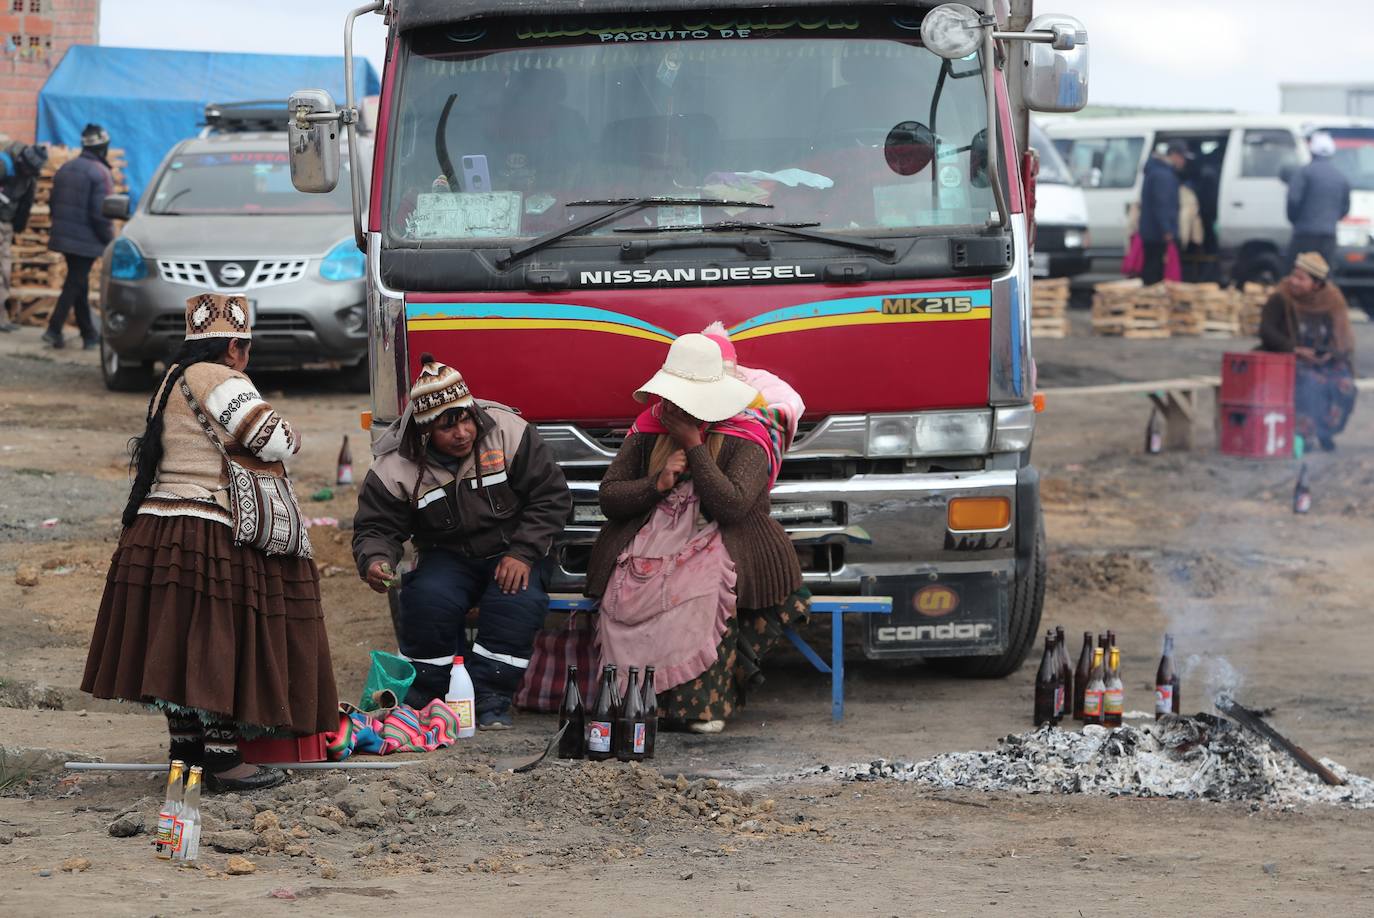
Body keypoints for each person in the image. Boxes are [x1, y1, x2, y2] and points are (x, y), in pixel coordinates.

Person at [82, 293, 338, 792]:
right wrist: (295, 434)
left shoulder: (170, 381)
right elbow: (273, 439)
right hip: (208, 526)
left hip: (158, 526)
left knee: (178, 645)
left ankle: (185, 756)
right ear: (235, 347)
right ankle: (223, 761)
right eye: (245, 346)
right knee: (217, 641)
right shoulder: (219, 379)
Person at [586, 334, 808, 735]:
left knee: (700, 592)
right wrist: (657, 483)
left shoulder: (750, 433)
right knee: (624, 592)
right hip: (650, 541)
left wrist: (694, 446)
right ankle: (628, 700)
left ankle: (700, 707)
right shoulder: (648, 428)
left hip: (722, 539)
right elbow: (609, 497)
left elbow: (733, 506)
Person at [352, 355, 572, 728]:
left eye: (466, 419)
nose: (462, 433)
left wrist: (523, 552)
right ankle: (430, 697)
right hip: (447, 555)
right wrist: (376, 561)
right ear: (424, 433)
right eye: (447, 427)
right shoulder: (395, 465)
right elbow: (376, 527)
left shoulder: (507, 431)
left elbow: (551, 497)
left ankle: (491, 697)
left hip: (512, 549)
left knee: (516, 603)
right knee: (426, 601)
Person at [1258, 252, 1357, 451]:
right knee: (1312, 384)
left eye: (1301, 279)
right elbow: (1266, 331)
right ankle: (1305, 435)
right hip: (1291, 359)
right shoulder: (1281, 297)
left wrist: (1330, 353)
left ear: (1317, 284)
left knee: (1345, 385)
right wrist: (1294, 349)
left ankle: (1326, 432)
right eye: (1294, 275)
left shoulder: (1332, 300)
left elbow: (1342, 338)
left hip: (1325, 361)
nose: (1293, 281)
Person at [44, 123, 115, 349]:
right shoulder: (100, 173)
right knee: (74, 283)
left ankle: (89, 335)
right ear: (103, 148)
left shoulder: (65, 168)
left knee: (79, 284)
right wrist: (109, 240)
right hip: (86, 241)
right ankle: (53, 329)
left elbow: (52, 203)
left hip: (65, 238)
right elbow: (101, 214)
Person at [1286, 131, 1351, 270]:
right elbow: (1345, 208)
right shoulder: (1340, 177)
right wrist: (1329, 220)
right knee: (1323, 275)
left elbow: (1293, 200)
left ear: (1312, 152)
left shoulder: (1304, 172)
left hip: (1304, 234)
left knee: (1297, 274)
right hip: (1329, 236)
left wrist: (1295, 220)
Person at [0, 143, 47, 332]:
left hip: (6, 224)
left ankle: (1, 319)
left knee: (4, 272)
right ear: (21, 161)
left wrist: (20, 223)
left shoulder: (30, 175)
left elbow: (27, 201)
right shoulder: (4, 164)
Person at [1137, 141, 1187, 285]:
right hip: (1157, 233)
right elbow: (1162, 205)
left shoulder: (1157, 171)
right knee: (1154, 270)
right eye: (1182, 158)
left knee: (1152, 267)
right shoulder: (1163, 176)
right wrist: (1167, 230)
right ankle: (1151, 302)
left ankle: (1151, 300)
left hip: (1152, 231)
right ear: (1174, 156)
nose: (1183, 162)